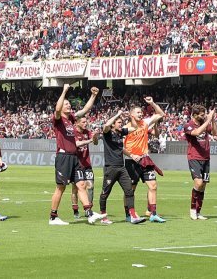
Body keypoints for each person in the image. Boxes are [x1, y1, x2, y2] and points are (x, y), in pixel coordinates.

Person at [49, 84, 105, 225]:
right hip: (63, 157)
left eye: (69, 104)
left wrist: (93, 96)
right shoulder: (58, 119)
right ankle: (53, 217)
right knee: (60, 188)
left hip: (74, 158)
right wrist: (64, 91)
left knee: (81, 185)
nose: (68, 105)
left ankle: (89, 212)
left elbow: (85, 110)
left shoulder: (70, 120)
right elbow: (57, 109)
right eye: (66, 104)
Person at [123, 97, 166, 223]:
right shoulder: (126, 128)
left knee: (153, 185)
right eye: (138, 112)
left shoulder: (145, 123)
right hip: (131, 161)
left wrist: (152, 103)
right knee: (131, 189)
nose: (141, 114)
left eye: (141, 112)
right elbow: (120, 146)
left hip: (145, 159)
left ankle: (153, 213)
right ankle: (129, 214)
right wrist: (131, 155)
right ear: (131, 114)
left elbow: (161, 114)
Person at [98, 110, 145, 224]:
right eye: (119, 122)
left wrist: (132, 117)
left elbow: (134, 128)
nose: (121, 124)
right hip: (111, 168)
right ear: (114, 123)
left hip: (121, 167)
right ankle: (103, 217)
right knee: (105, 193)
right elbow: (106, 125)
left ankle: (133, 216)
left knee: (129, 190)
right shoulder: (107, 132)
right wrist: (117, 114)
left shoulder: (120, 132)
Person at [184, 105, 217, 221]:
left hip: (206, 158)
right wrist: (207, 120)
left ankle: (198, 212)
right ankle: (192, 210)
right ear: (194, 115)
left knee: (203, 185)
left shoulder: (205, 123)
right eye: (202, 114)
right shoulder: (188, 125)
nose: (204, 116)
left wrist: (212, 119)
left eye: (205, 114)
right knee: (198, 183)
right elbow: (197, 132)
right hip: (194, 157)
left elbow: (215, 133)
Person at [69, 116, 98, 220]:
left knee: (90, 186)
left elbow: (95, 142)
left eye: (86, 121)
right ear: (77, 123)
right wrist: (90, 140)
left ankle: (88, 210)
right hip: (76, 165)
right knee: (75, 189)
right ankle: (75, 210)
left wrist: (95, 137)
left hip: (87, 164)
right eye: (84, 122)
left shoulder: (87, 132)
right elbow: (77, 144)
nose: (86, 123)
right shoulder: (73, 132)